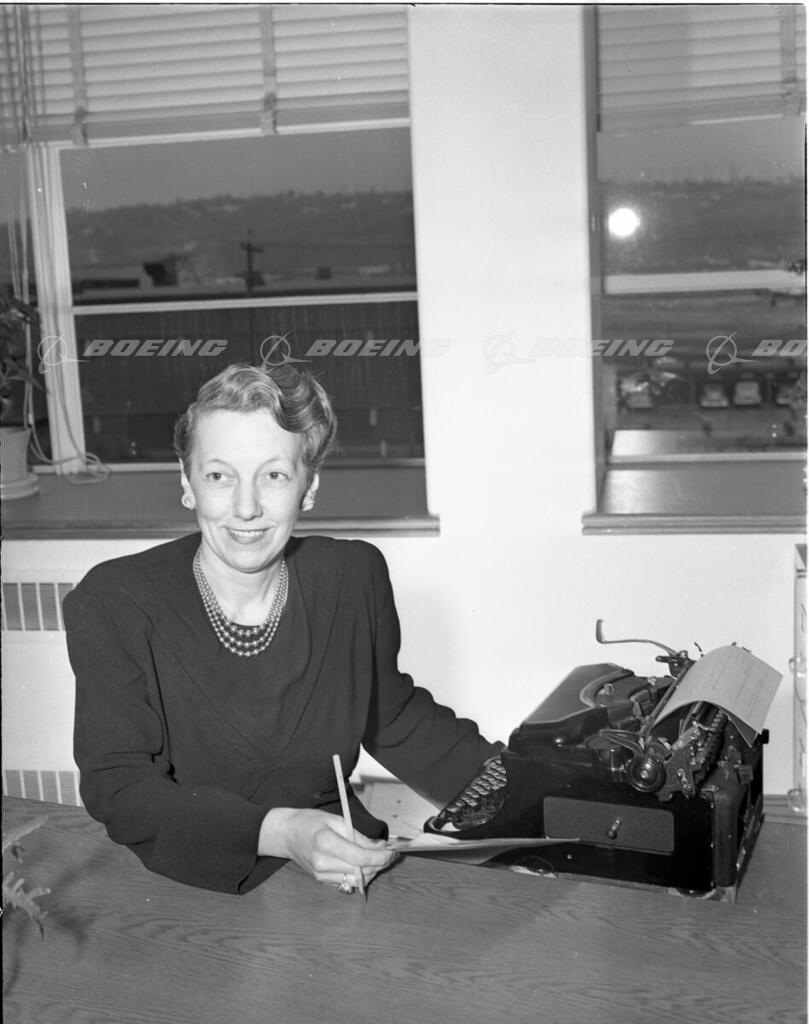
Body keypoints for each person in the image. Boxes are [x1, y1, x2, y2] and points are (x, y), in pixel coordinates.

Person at [65, 362, 502, 896]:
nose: (246, 507)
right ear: (187, 483)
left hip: (336, 867)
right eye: (219, 476)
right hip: (187, 877)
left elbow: (390, 716)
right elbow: (119, 787)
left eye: (274, 475)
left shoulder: (351, 576)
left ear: (308, 487)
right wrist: (282, 832)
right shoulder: (114, 600)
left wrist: (515, 784)